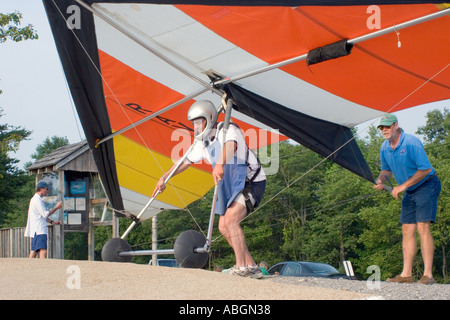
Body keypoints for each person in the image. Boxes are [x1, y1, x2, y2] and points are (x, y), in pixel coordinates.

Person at [153, 100, 266, 279]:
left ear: (209, 118)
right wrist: (164, 177)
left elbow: (231, 146)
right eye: (194, 124)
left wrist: (219, 163)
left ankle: (241, 267)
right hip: (233, 184)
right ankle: (251, 265)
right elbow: (185, 161)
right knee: (223, 226)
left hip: (251, 182)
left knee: (230, 220)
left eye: (199, 122)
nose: (196, 127)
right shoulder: (204, 142)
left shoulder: (228, 129)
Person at [373, 114, 441, 285]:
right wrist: (380, 179)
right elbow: (386, 170)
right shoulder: (384, 147)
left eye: (387, 126)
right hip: (409, 189)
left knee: (422, 227)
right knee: (406, 229)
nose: (384, 130)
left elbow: (425, 169)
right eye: (382, 128)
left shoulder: (411, 142)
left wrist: (401, 187)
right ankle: (406, 274)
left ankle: (428, 275)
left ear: (396, 125)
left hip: (427, 184)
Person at [24, 181, 63, 258]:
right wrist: (56, 207)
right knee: (43, 251)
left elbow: (41, 216)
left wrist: (52, 221)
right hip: (39, 230)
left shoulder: (35, 199)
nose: (48, 191)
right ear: (41, 189)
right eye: (46, 189)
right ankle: (42, 267)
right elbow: (45, 214)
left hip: (35, 229)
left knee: (34, 251)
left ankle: (28, 267)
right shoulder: (37, 200)